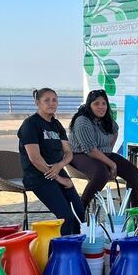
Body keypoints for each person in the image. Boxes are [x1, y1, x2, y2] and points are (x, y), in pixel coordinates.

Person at [17, 88, 84, 235]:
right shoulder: (30, 125)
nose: (51, 103)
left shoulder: (56, 125)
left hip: (57, 171)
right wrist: (60, 179)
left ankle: (76, 247)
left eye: (54, 100)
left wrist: (60, 165)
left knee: (79, 212)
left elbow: (68, 152)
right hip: (38, 176)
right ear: (37, 103)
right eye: (46, 100)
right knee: (66, 217)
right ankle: (58, 254)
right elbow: (35, 158)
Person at [68, 89, 138, 209]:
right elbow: (90, 149)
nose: (101, 107)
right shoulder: (82, 121)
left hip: (100, 154)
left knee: (132, 172)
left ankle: (136, 212)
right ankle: (80, 208)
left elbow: (115, 131)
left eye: (104, 103)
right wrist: (112, 164)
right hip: (79, 155)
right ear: (89, 105)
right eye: (96, 104)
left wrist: (108, 150)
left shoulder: (106, 119)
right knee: (102, 174)